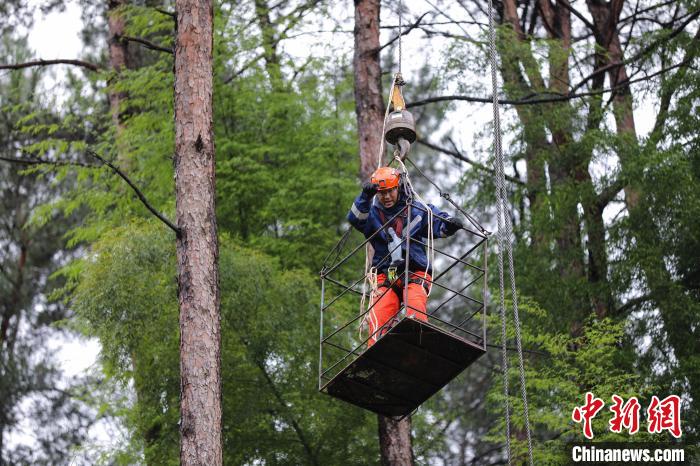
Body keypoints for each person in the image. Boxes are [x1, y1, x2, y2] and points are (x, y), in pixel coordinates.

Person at [347, 166, 463, 346]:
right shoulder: (373, 215)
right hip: (387, 275)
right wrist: (365, 196)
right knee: (378, 319)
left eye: (390, 191)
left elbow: (437, 221)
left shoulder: (416, 210)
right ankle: (379, 358)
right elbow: (355, 219)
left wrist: (449, 225)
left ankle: (417, 347)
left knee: (415, 310)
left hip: (414, 272)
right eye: (381, 192)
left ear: (398, 187)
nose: (386, 197)